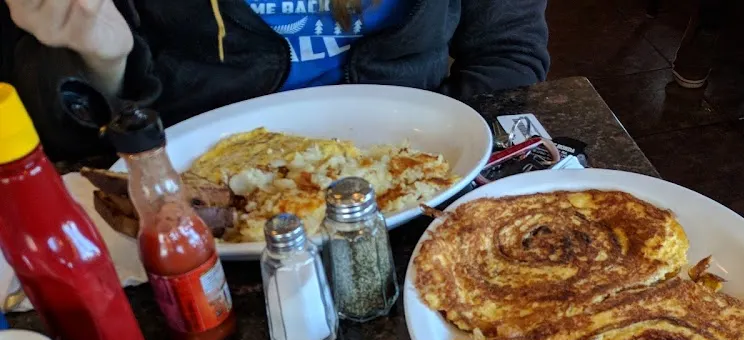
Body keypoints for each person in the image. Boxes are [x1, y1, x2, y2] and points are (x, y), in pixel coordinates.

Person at [1, 0, 549, 161]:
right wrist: (104, 61)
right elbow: (68, 143)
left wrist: (452, 153)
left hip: (421, 177)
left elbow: (509, 53)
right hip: (206, 206)